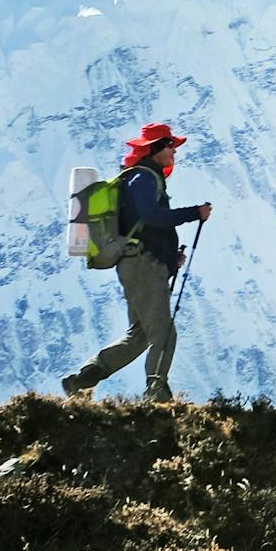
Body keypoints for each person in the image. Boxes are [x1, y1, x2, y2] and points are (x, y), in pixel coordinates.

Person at [62, 121, 211, 401]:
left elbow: (146, 226)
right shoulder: (144, 178)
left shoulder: (138, 178)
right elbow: (152, 216)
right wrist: (194, 212)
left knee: (140, 335)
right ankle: (157, 392)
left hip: (138, 264)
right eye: (170, 146)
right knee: (164, 331)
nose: (174, 152)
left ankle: (82, 379)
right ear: (155, 149)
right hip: (142, 264)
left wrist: (169, 259)